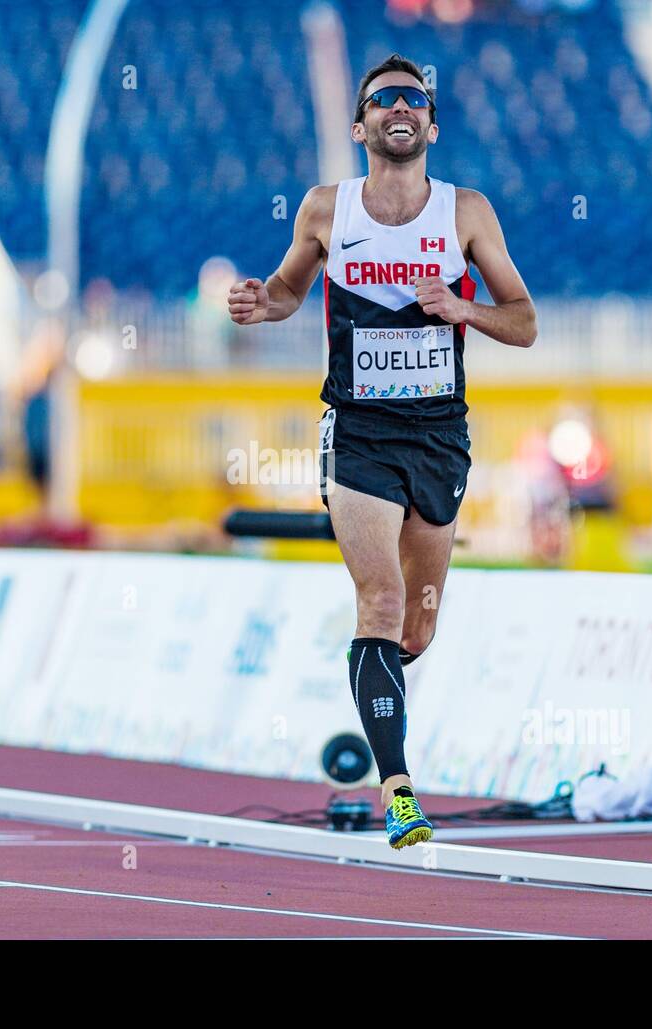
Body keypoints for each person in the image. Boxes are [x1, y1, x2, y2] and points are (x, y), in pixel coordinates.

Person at [227, 54, 537, 848]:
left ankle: (384, 711)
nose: (398, 107)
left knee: (416, 629)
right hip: (357, 432)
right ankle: (399, 790)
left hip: (438, 435)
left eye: (413, 99)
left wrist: (462, 310)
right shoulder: (327, 210)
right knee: (381, 601)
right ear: (360, 125)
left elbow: (525, 320)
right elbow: (291, 287)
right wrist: (264, 302)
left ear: (430, 126)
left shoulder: (466, 213)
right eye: (382, 100)